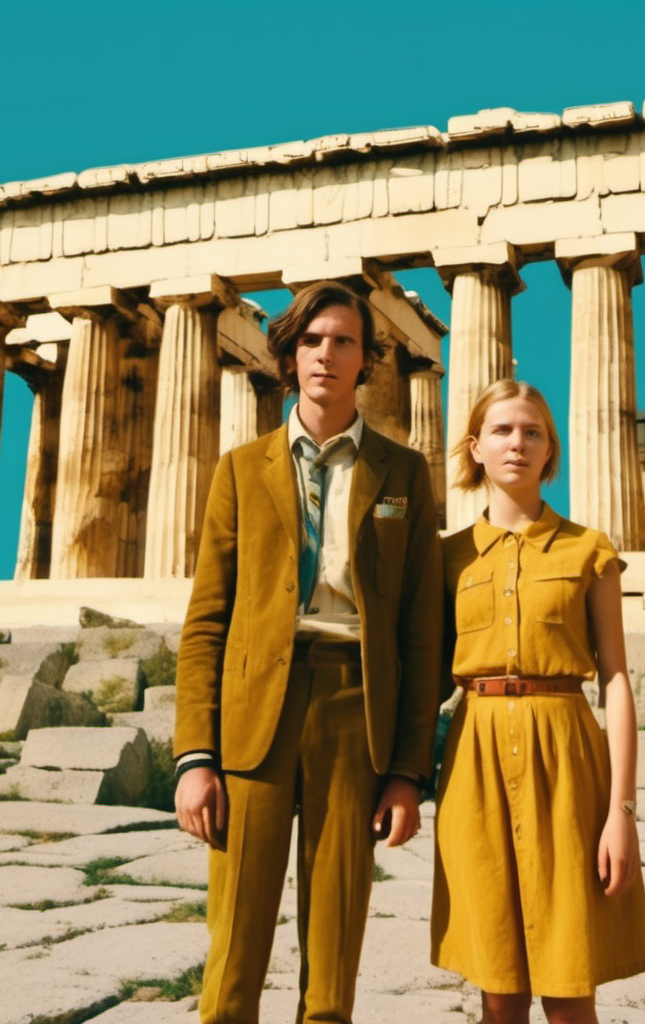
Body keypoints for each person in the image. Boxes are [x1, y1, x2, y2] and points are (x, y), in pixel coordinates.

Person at [173, 280, 443, 1024]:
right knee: (232, 957)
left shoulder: (405, 473)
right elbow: (206, 623)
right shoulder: (239, 468)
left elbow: (422, 634)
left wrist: (408, 772)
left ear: (368, 361)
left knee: (334, 959)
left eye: (345, 341)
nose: (328, 354)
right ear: (290, 356)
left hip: (356, 711)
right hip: (254, 713)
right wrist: (196, 756)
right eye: (314, 340)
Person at [431, 379, 645, 1024]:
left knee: (569, 980)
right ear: (476, 447)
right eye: (502, 430)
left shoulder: (589, 549)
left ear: (549, 449)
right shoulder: (447, 558)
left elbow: (614, 678)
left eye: (533, 432)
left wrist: (622, 813)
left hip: (567, 759)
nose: (517, 443)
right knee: (497, 985)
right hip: (473, 762)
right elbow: (426, 680)